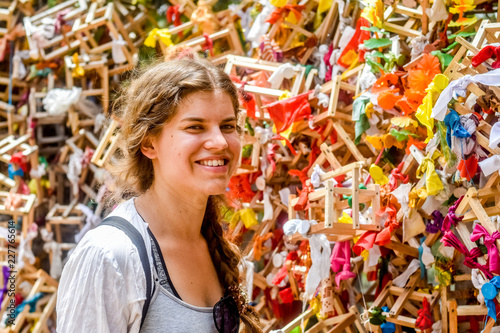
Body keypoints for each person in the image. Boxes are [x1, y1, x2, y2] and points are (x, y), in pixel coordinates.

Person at [56, 59, 262, 332]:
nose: (220, 142)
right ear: (149, 142)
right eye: (195, 127)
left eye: (227, 126)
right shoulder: (110, 257)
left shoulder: (213, 244)